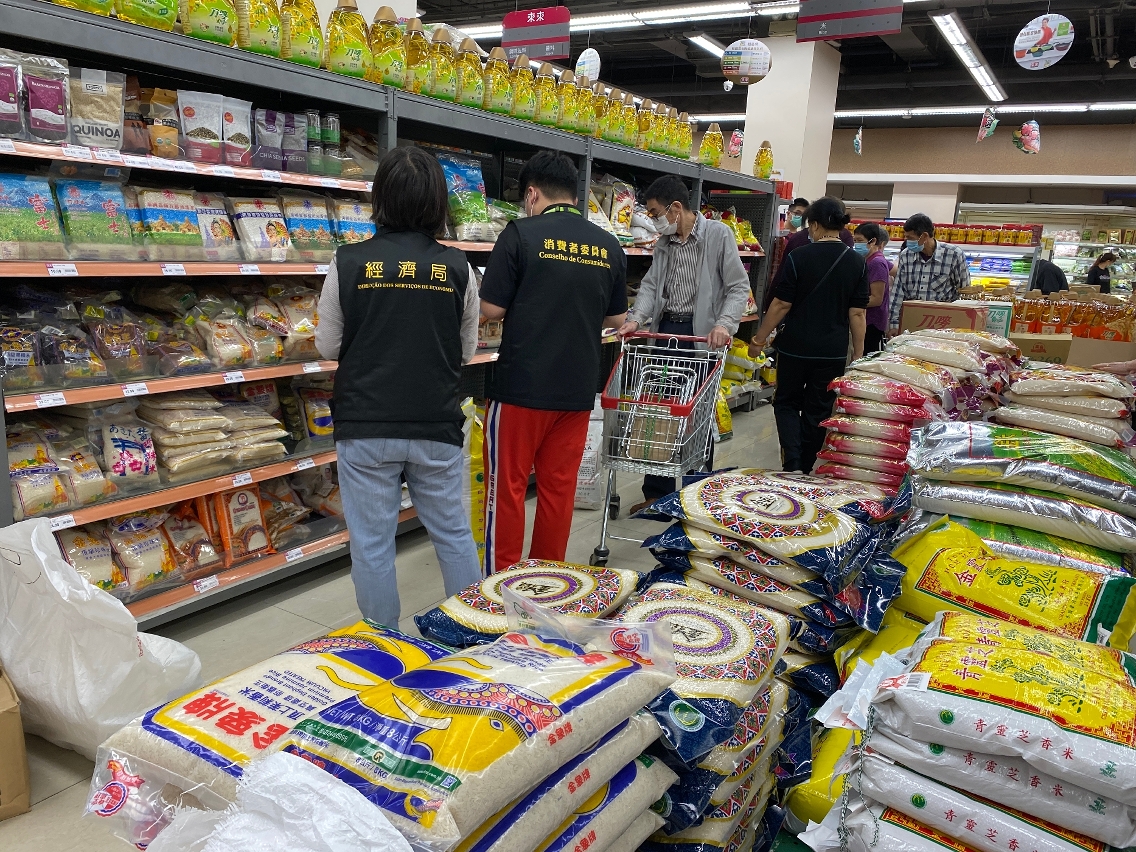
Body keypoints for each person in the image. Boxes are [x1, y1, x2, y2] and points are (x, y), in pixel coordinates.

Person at [314, 146, 482, 627]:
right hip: (435, 423)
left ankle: (385, 645)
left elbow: (328, 345)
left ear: (380, 198)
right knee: (453, 535)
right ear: (437, 202)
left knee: (372, 545)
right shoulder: (458, 268)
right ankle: (471, 636)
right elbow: (466, 350)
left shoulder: (349, 262)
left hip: (366, 424)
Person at [480, 151, 627, 574]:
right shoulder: (607, 245)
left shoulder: (519, 235)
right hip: (577, 390)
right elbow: (617, 319)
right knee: (558, 492)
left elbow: (491, 309)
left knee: (506, 490)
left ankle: (501, 584)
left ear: (532, 194)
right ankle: (546, 583)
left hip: (521, 389)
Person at [617, 174, 751, 511]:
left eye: (655, 212)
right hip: (666, 333)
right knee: (659, 410)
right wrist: (636, 318)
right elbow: (650, 286)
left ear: (676, 208)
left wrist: (724, 324)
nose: (653, 220)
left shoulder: (718, 235)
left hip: (701, 336)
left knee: (697, 415)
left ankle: (696, 495)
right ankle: (657, 494)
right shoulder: (664, 243)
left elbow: (737, 287)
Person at [750, 197, 869, 474]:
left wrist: (758, 340)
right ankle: (804, 466)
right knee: (819, 409)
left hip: (795, 347)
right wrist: (858, 353)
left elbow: (781, 304)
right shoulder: (857, 262)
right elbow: (857, 314)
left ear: (814, 225)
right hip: (832, 351)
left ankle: (792, 460)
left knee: (786, 402)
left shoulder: (799, 256)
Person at [888, 213, 970, 335]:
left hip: (942, 322)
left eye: (910, 238)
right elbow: (898, 291)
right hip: (913, 319)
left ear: (925, 236)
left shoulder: (954, 255)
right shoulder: (906, 255)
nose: (907, 242)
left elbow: (965, 291)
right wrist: (894, 323)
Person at [763, 207, 854, 311]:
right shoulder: (857, 260)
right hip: (836, 311)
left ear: (814, 225)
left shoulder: (798, 251)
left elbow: (782, 298)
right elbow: (858, 311)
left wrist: (769, 307)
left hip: (799, 310)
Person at [854, 222, 890, 353]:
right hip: (865, 319)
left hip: (872, 322)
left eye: (860, 241)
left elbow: (876, 298)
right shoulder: (867, 260)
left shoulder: (877, 263)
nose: (856, 245)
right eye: (855, 241)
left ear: (873, 241)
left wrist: (852, 302)